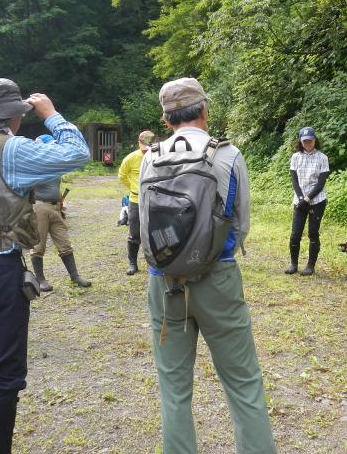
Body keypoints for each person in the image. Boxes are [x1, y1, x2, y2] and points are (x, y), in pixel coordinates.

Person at [0, 78, 89, 454]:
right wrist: (52, 115)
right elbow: (77, 154)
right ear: (11, 115)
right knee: (5, 372)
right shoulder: (10, 150)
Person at [141, 77, 277, 454]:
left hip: (165, 281)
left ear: (166, 119)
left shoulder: (150, 157)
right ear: (204, 110)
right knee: (243, 382)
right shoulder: (227, 155)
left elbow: (144, 222)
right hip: (218, 276)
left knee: (173, 388)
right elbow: (241, 223)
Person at [30, 135, 91, 291]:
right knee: (38, 244)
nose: (53, 148)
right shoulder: (33, 163)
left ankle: (75, 276)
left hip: (55, 207)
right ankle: (40, 279)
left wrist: (60, 204)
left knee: (64, 243)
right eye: (49, 146)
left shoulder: (54, 163)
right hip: (39, 207)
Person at [285, 127, 329, 276]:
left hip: (317, 200)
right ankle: (293, 264)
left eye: (310, 140)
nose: (308, 143)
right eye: (305, 141)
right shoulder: (296, 157)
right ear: (301, 142)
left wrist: (308, 198)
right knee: (295, 233)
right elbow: (294, 180)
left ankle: (310, 266)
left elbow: (321, 182)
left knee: (313, 232)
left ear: (315, 140)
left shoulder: (322, 157)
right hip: (299, 200)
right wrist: (301, 198)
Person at [117, 129, 155, 275]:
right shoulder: (131, 158)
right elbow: (122, 176)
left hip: (153, 200)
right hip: (135, 200)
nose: (146, 152)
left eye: (148, 148)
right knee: (134, 234)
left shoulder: (158, 156)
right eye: (144, 148)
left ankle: (155, 262)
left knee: (154, 231)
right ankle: (132, 263)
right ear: (138, 143)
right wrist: (134, 188)